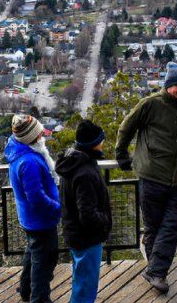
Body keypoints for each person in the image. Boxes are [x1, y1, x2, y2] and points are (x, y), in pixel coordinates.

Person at [115, 62, 177, 294]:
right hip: (151, 176)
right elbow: (126, 127)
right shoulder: (150, 104)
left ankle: (156, 271)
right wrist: (121, 155)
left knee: (172, 226)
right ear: (168, 85)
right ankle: (156, 270)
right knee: (153, 227)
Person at [55, 119, 113, 303]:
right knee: (86, 287)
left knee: (81, 280)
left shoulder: (73, 163)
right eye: (100, 139)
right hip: (87, 237)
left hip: (76, 234)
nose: (103, 143)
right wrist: (104, 220)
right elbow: (86, 213)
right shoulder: (85, 172)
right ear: (93, 143)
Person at [5, 114, 61, 303]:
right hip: (40, 220)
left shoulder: (17, 149)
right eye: (39, 133)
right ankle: (39, 299)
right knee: (44, 261)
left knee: (34, 254)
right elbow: (36, 198)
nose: (42, 137)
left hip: (30, 218)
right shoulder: (29, 162)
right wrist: (57, 208)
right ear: (32, 137)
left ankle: (26, 290)